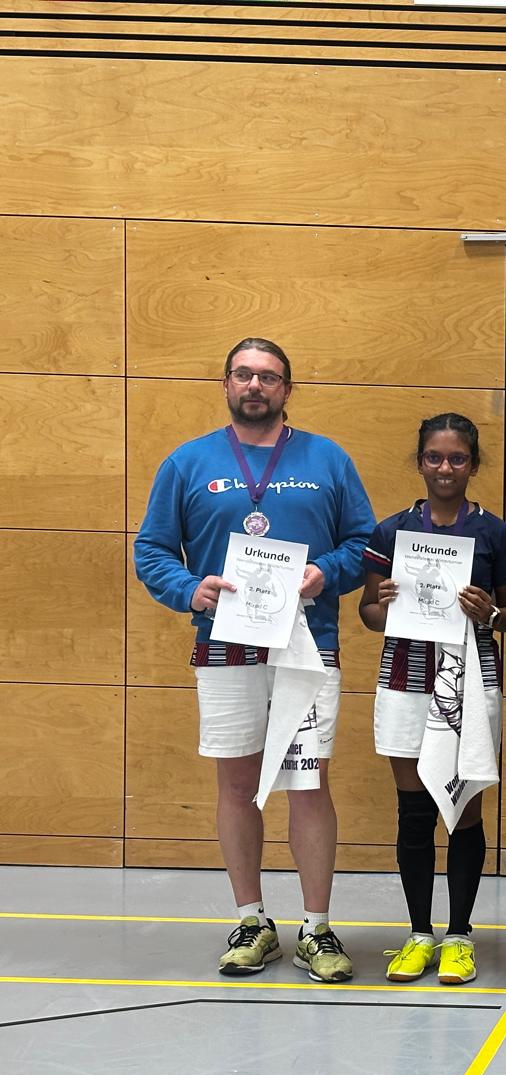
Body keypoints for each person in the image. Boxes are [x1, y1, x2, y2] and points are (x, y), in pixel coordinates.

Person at [133, 337, 375, 981]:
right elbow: (151, 551)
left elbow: (365, 544)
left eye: (268, 377)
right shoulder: (188, 463)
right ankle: (252, 918)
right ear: (226, 384)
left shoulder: (328, 459)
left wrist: (327, 572)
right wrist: (191, 588)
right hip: (225, 646)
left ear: (287, 390)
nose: (255, 386)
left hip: (308, 647)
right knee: (237, 786)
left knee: (307, 784)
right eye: (243, 375)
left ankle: (317, 929)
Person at [357, 414, 506, 986]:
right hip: (405, 678)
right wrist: (381, 600)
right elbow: (369, 615)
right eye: (434, 457)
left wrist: (489, 614)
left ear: (473, 465)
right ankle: (418, 933)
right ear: (420, 461)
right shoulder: (390, 531)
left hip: (471, 685)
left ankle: (459, 936)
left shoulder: (493, 533)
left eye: (457, 459)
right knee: (414, 812)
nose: (445, 468)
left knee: (464, 810)